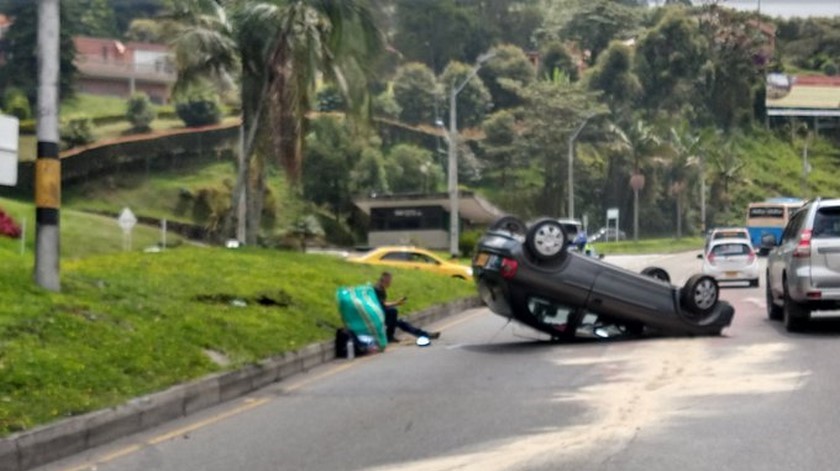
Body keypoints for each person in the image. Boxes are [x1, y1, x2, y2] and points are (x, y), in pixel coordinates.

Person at [373, 271, 441, 343]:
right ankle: (389, 337)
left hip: (381, 313)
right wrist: (396, 303)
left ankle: (426, 335)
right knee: (393, 312)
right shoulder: (378, 289)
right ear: (386, 280)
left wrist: (397, 302)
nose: (390, 283)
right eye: (390, 281)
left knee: (401, 323)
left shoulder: (379, 287)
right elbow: (383, 304)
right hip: (379, 314)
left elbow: (382, 304)